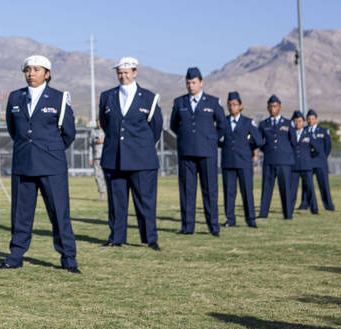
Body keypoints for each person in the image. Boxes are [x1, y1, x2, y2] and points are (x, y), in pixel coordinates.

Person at [0, 54, 79, 273]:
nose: (31, 73)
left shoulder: (59, 98)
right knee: (20, 213)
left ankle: (68, 257)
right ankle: (15, 255)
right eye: (28, 69)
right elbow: (13, 130)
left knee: (59, 212)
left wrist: (49, 149)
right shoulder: (15, 97)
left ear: (47, 74)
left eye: (36, 69)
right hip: (24, 162)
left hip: (52, 165)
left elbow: (68, 133)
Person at [98, 57, 163, 250]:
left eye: (126, 72)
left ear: (135, 73)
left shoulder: (149, 98)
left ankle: (150, 239)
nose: (123, 76)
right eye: (119, 72)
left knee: (145, 201)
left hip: (142, 160)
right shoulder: (107, 96)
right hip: (114, 158)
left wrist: (140, 147)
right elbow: (106, 123)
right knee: (116, 202)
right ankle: (117, 237)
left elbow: (156, 128)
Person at [169, 67, 227, 237]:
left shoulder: (213, 102)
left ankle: (213, 226)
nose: (190, 86)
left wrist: (212, 139)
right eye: (188, 83)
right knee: (187, 190)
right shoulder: (179, 103)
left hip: (207, 152)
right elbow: (174, 125)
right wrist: (184, 137)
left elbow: (222, 125)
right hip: (186, 152)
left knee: (210, 190)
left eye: (193, 82)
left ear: (201, 83)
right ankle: (187, 227)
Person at [218, 91, 263, 228]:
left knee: (246, 191)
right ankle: (230, 219)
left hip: (244, 161)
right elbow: (215, 138)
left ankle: (251, 219)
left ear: (241, 106)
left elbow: (259, 140)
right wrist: (224, 145)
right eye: (229, 104)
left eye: (235, 104)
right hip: (228, 162)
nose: (232, 107)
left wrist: (247, 148)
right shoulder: (223, 121)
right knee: (229, 192)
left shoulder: (248, 122)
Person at [258, 95, 296, 219]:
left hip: (284, 161)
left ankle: (287, 214)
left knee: (285, 188)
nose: (272, 109)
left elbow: (293, 142)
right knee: (266, 188)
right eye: (270, 106)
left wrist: (286, 154)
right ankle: (263, 214)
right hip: (269, 160)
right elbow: (260, 142)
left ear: (280, 107)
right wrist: (268, 150)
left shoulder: (288, 123)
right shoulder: (264, 124)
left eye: (275, 106)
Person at [304, 109, 335, 211]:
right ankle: (305, 204)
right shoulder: (304, 131)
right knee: (307, 184)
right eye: (308, 119)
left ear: (316, 119)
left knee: (324, 184)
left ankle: (328, 205)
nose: (310, 120)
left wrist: (322, 157)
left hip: (320, 162)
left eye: (312, 118)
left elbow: (328, 147)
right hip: (308, 161)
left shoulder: (323, 131)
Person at [290, 110, 319, 215]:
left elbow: (317, 149)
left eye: (300, 121)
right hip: (294, 166)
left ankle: (314, 209)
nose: (298, 123)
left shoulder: (308, 134)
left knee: (310, 188)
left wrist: (308, 158)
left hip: (306, 166)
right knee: (292, 189)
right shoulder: (290, 134)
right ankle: (289, 209)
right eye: (295, 121)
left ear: (304, 122)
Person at [90, 129, 107, 201]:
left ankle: (108, 193)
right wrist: (90, 158)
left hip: (106, 156)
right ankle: (102, 194)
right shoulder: (93, 132)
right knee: (97, 176)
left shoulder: (107, 130)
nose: (98, 123)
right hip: (96, 157)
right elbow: (90, 146)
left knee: (106, 176)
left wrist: (103, 141)